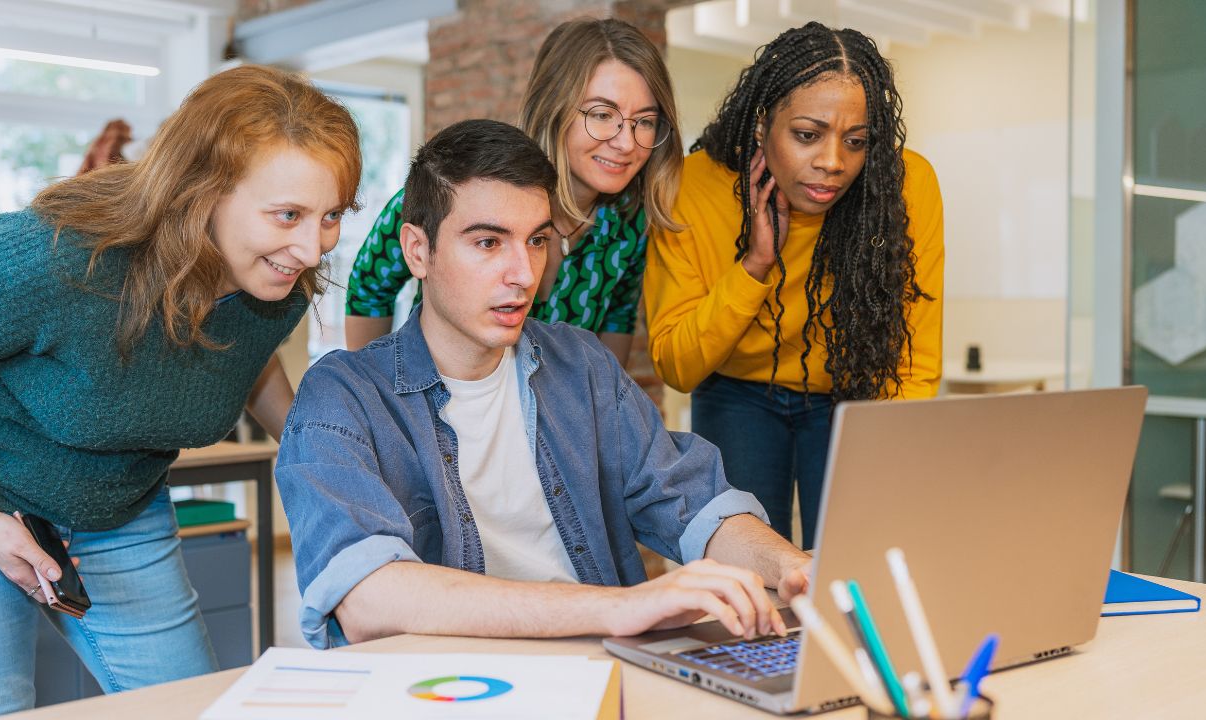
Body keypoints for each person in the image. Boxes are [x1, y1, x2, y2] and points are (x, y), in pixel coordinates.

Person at [277, 119, 812, 650]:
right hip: (456, 688)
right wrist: (626, 606)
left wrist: (792, 566)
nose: (524, 274)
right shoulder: (341, 397)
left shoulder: (580, 363)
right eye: (488, 242)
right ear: (418, 251)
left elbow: (695, 502)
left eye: (536, 241)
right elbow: (368, 598)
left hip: (604, 672)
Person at [0, 65, 361, 718]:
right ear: (204, 193)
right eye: (289, 215)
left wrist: (327, 455)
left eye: (331, 216)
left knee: (184, 707)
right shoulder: (59, 262)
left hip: (118, 509)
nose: (312, 247)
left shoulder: (273, 282)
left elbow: (243, 359)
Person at [644, 22, 944, 550]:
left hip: (857, 393)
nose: (833, 162)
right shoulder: (691, 187)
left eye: (856, 142)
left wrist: (898, 458)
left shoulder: (905, 185)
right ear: (761, 125)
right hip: (736, 393)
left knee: (862, 562)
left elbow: (914, 360)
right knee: (746, 572)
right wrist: (755, 264)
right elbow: (677, 366)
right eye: (807, 135)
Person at [344, 18, 682, 367]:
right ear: (554, 106)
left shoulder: (631, 221)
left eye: (644, 121)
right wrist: (379, 400)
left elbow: (617, 322)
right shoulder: (459, 191)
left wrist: (597, 413)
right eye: (601, 114)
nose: (626, 143)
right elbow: (369, 286)